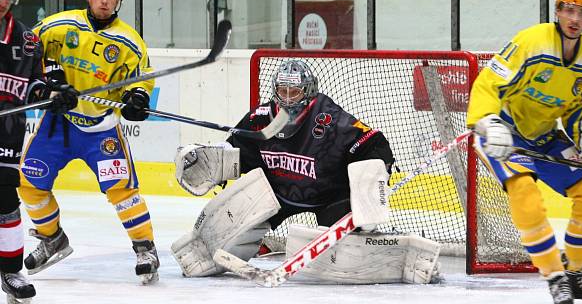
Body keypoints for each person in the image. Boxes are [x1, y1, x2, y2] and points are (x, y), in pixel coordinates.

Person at [172, 59, 442, 285]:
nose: (288, 99)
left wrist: (372, 180)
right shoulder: (260, 119)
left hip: (328, 196)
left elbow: (374, 144)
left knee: (341, 255)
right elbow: (236, 154)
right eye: (283, 90)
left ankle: (403, 257)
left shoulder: (330, 119)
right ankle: (204, 248)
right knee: (230, 238)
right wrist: (210, 161)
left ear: (309, 92)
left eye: (295, 92)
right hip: (276, 196)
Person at [468, 0, 582, 304]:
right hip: (503, 134)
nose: (575, 18)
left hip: (544, 137)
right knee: (525, 195)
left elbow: (580, 115)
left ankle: (574, 277)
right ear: (557, 11)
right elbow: (488, 82)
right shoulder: (531, 41)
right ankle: (554, 277)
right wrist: (488, 123)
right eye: (569, 9)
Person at [18, 0, 160, 285]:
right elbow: (30, 49)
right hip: (59, 125)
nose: (104, 1)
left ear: (118, 1)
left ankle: (145, 248)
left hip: (100, 130)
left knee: (121, 190)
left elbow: (140, 79)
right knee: (29, 181)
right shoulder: (61, 25)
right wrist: (52, 81)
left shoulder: (129, 41)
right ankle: (52, 238)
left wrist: (136, 97)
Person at [0, 0, 51, 304]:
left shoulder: (27, 39)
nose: (3, 1)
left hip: (7, 130)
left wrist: (49, 93)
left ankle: (11, 271)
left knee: (5, 198)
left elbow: (36, 83)